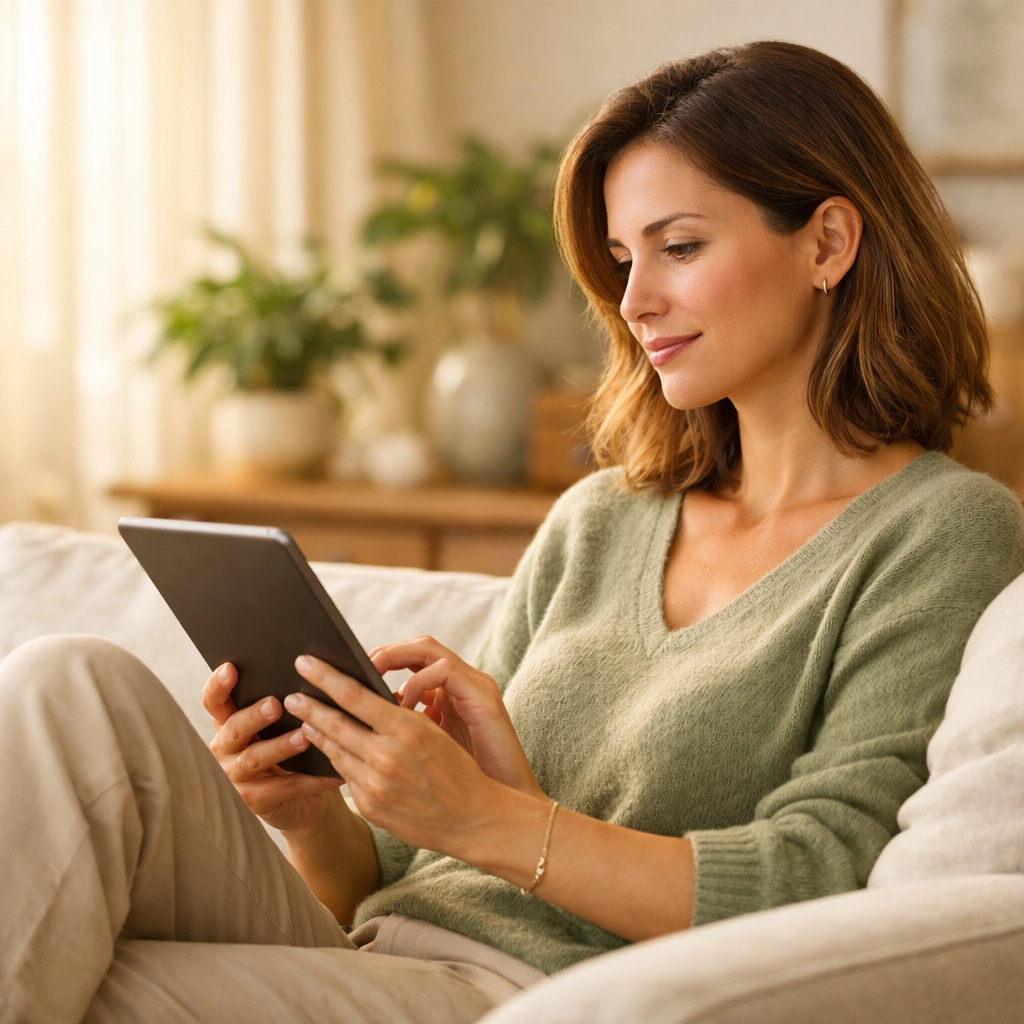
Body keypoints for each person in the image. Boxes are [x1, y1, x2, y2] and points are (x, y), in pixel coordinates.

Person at [2, 40, 1022, 1024]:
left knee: (94, 985)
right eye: (623, 259)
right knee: (67, 681)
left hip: (533, 992)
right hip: (375, 958)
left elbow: (829, 876)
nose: (634, 301)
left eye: (678, 246)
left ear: (827, 243)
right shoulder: (600, 519)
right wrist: (312, 811)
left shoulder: (941, 532)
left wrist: (488, 818)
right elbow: (390, 878)